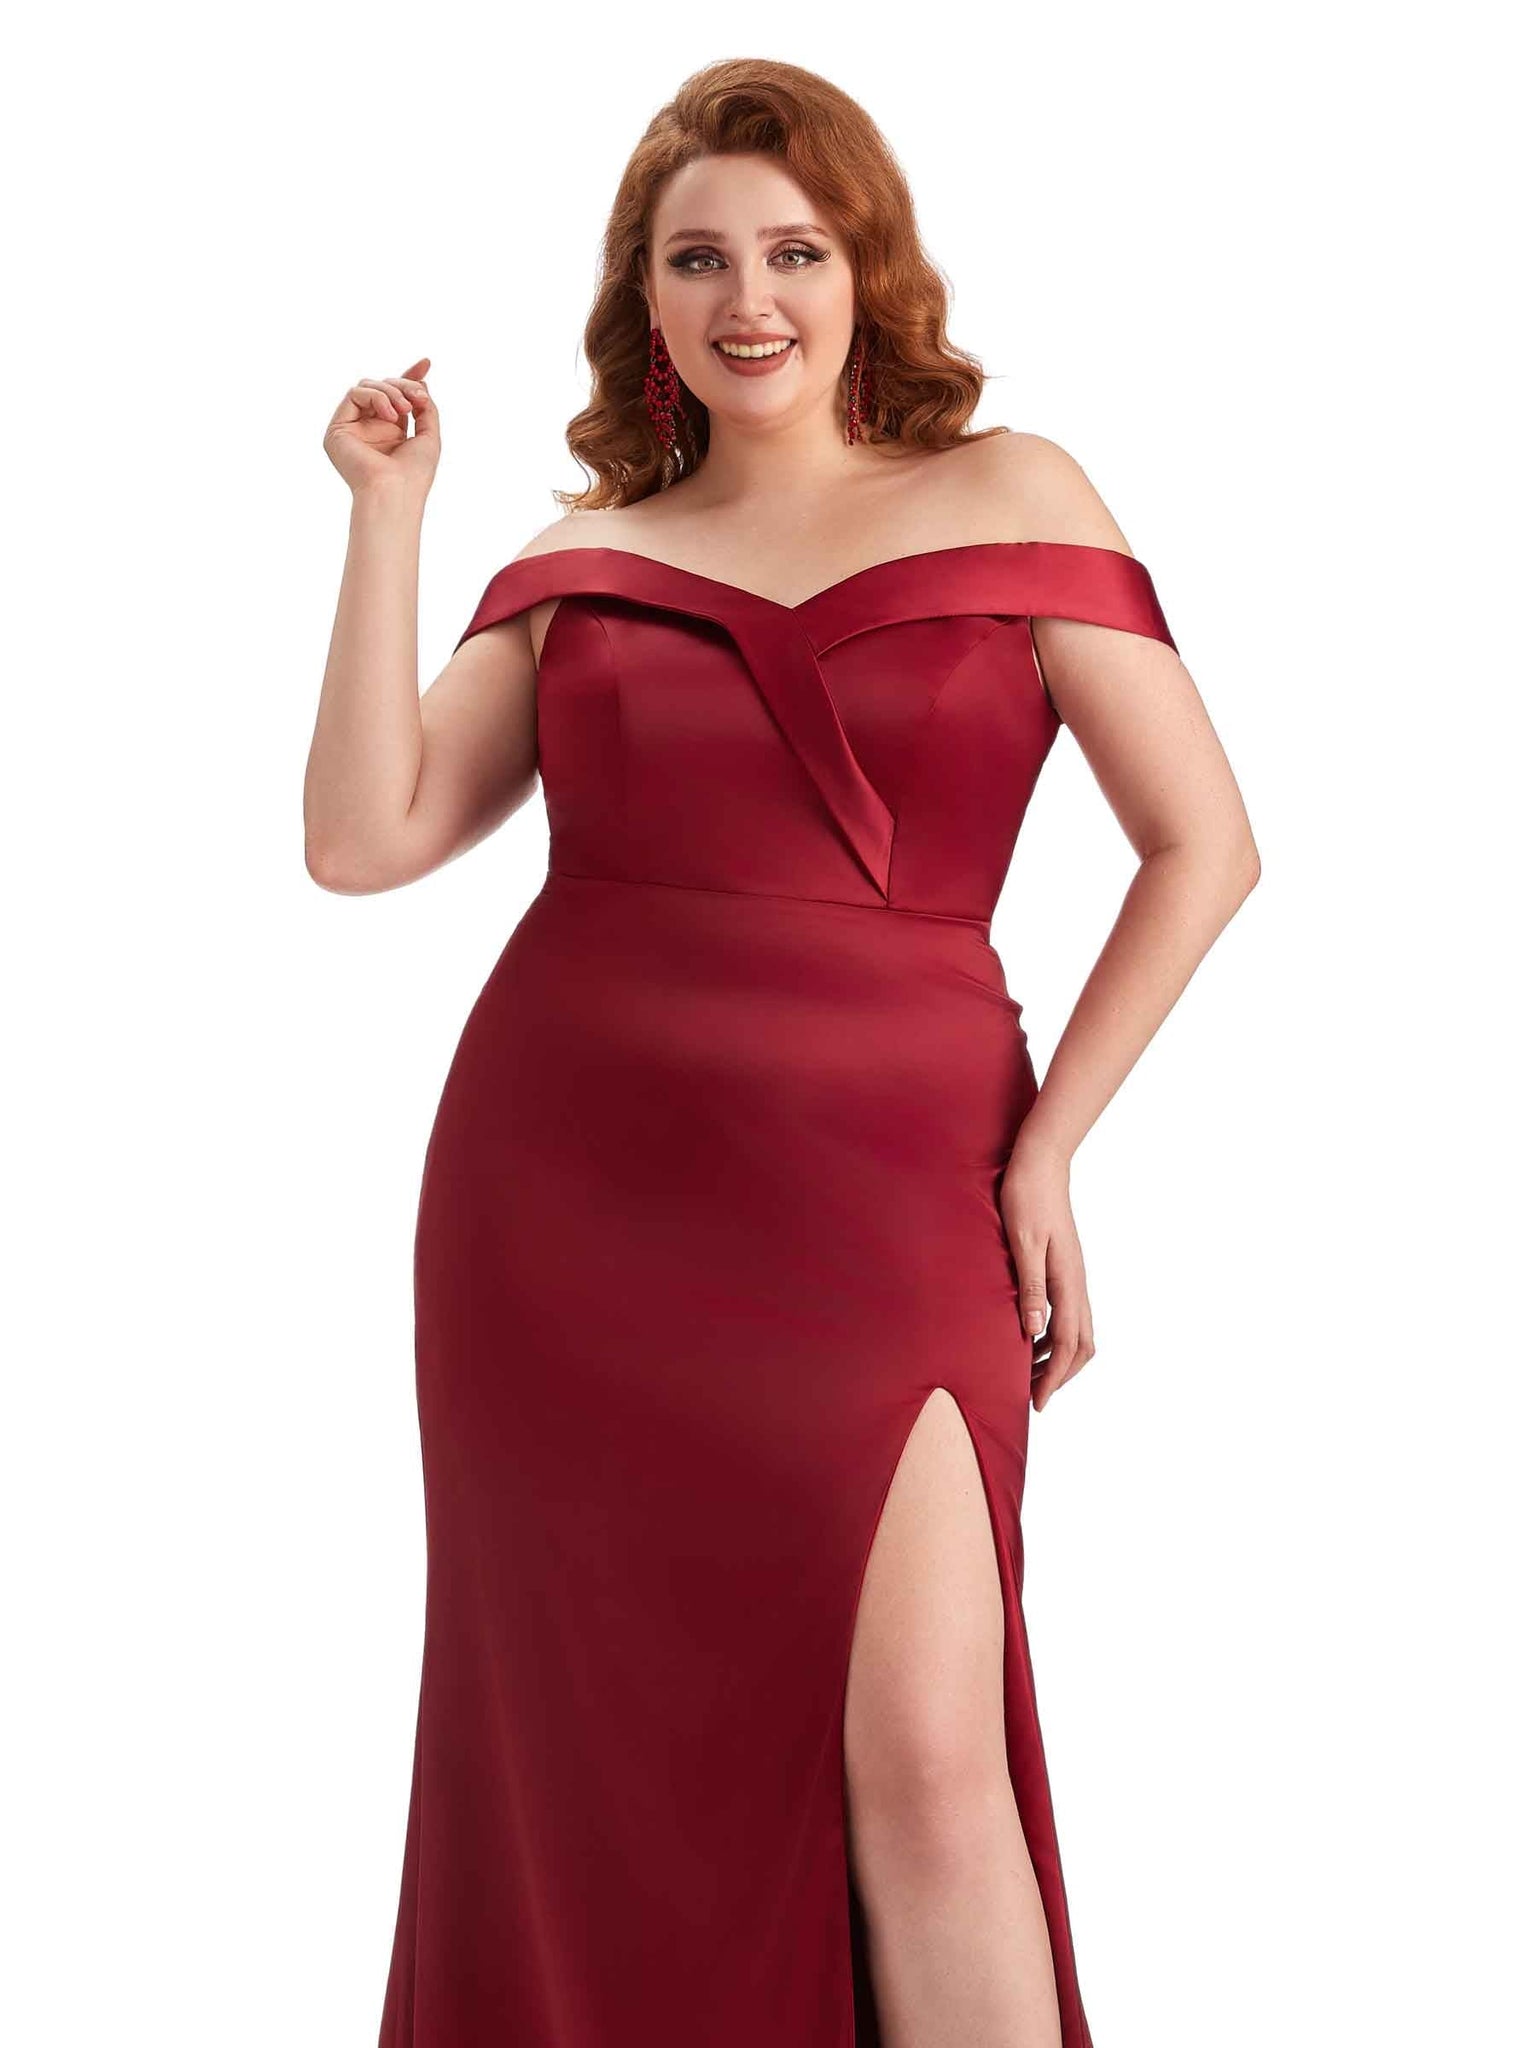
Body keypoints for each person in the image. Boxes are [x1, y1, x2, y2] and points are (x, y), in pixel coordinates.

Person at [305, 57, 1260, 2048]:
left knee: (929, 1767)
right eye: (699, 259)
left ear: (865, 271)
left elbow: (1205, 846)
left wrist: (1048, 1150)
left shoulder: (1015, 490)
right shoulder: (585, 561)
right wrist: (389, 517)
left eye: (796, 251)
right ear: (642, 299)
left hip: (894, 1196)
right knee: (601, 1777)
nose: (751, 297)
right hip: (564, 1220)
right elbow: (364, 836)